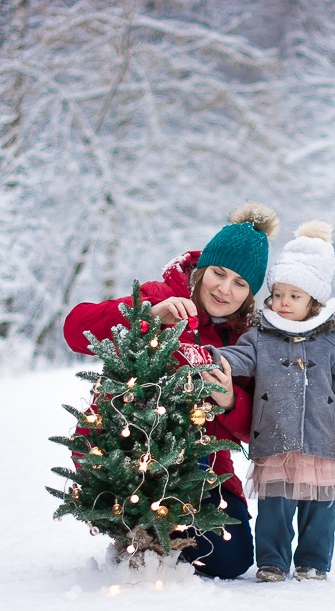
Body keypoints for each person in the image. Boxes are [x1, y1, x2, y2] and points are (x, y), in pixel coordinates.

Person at [62, 202, 280, 579]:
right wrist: (146, 316)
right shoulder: (160, 295)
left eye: (240, 283)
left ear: (249, 294)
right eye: (219, 273)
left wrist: (230, 400)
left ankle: (163, 531)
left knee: (232, 559)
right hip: (131, 453)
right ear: (202, 269)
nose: (224, 289)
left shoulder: (245, 341)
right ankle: (137, 522)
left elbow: (254, 430)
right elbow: (75, 330)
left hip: (200, 468)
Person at [207, 220, 335, 582]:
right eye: (278, 294)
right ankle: (272, 562)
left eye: (294, 296)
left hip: (320, 440)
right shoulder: (260, 336)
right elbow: (238, 357)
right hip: (275, 437)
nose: (283, 302)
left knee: (319, 508)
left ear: (313, 301)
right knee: (275, 507)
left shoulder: (332, 342)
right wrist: (211, 357)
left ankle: (314, 561)